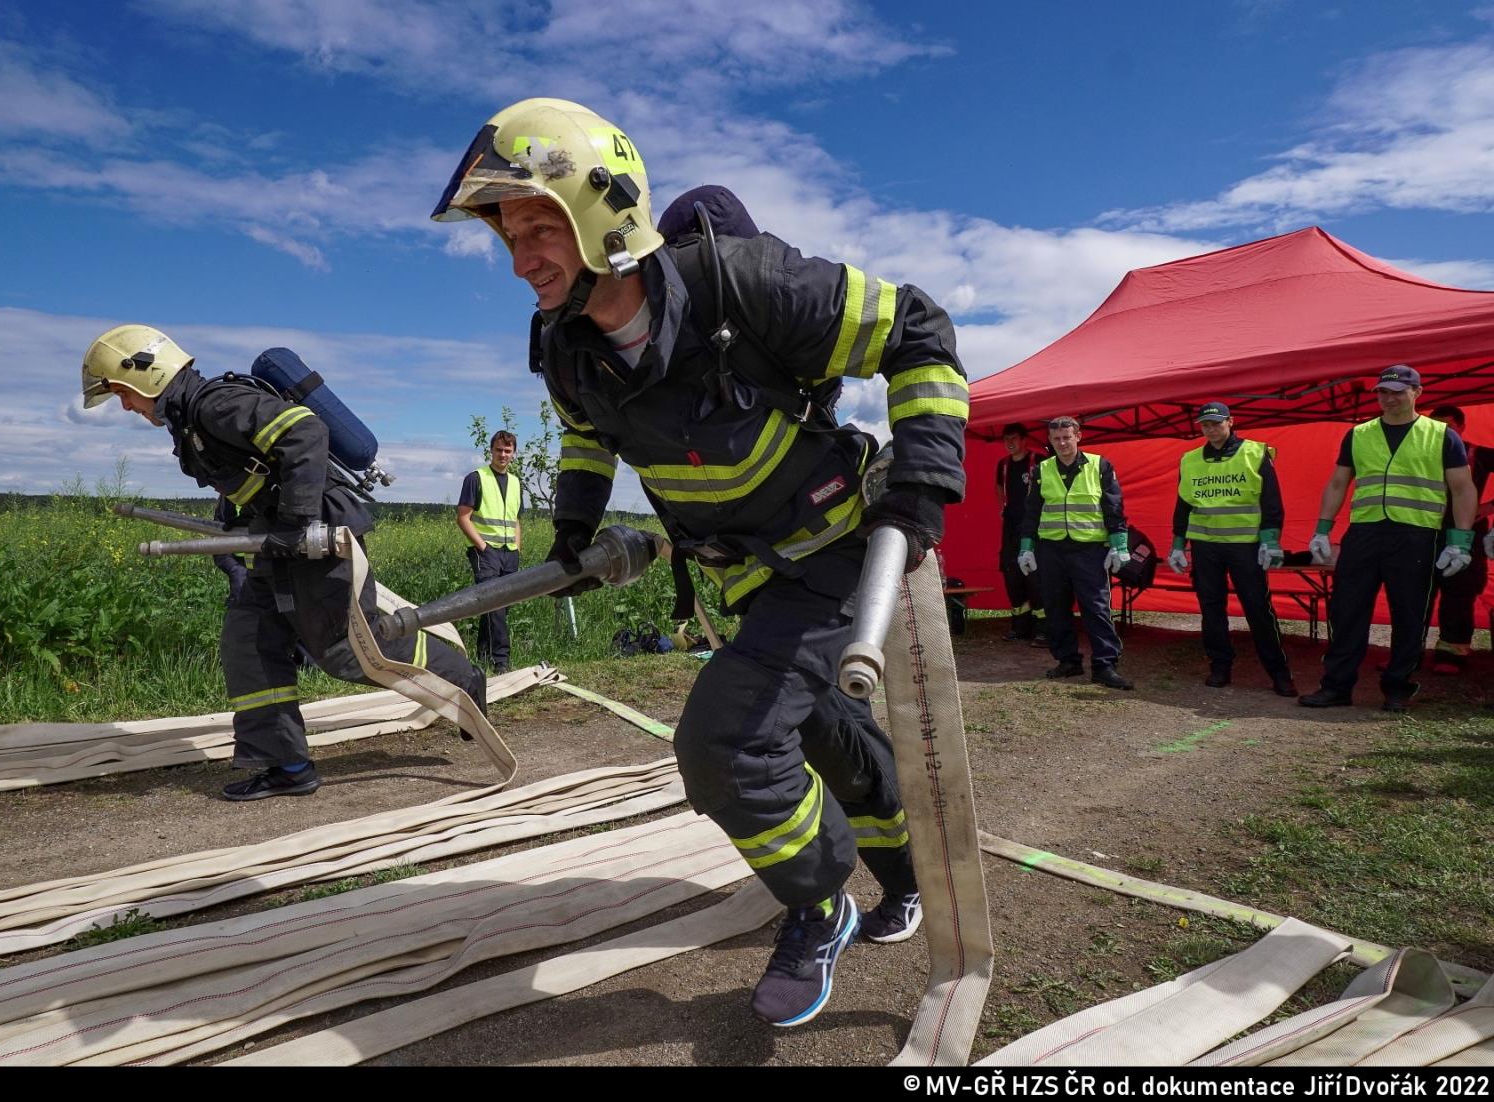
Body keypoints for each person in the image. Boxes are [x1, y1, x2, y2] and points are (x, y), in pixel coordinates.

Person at [433, 98, 968, 1028]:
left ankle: (815, 903)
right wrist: (576, 523)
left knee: (724, 743)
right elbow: (586, 434)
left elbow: (917, 330)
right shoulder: (566, 349)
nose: (520, 262)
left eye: (537, 229)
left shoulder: (748, 286)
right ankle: (904, 873)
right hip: (747, 576)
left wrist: (921, 479)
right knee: (819, 731)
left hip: (836, 557)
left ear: (601, 207)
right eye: (507, 240)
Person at [80, 325, 488, 799]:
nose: (127, 406)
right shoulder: (192, 420)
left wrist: (294, 523)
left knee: (347, 649)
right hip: (278, 543)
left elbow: (305, 432)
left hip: (318, 538)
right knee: (249, 639)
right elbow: (243, 481)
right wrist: (235, 545)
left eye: (124, 394)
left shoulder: (216, 404)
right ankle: (286, 765)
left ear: (147, 374)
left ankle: (463, 678)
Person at [1298, 366, 1477, 712]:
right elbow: (1338, 482)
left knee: (1410, 613)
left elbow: (1462, 488)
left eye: (1398, 391)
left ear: (1417, 392)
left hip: (1417, 535)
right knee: (1347, 610)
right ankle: (1336, 686)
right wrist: (1322, 528)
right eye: (1383, 392)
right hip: (1365, 532)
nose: (1389, 398)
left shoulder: (1441, 435)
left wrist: (1460, 540)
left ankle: (1398, 687)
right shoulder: (1359, 434)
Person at [1168, 402, 1297, 696]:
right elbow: (1183, 505)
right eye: (1205, 425)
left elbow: (1271, 502)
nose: (1211, 429)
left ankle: (1279, 673)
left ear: (1230, 422)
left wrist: (1270, 541)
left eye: (1216, 423)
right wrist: (1178, 545)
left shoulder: (1255, 452)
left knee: (1257, 609)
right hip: (1205, 547)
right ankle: (1220, 666)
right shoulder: (1189, 460)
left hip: (1245, 547)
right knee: (1211, 609)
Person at [1017, 415, 1134, 690]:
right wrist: (1026, 548)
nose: (1062, 443)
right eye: (1056, 438)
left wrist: (1119, 545)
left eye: (1067, 437)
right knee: (1056, 607)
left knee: (1096, 608)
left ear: (1078, 436)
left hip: (1089, 549)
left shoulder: (1100, 465)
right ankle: (1068, 660)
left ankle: (1105, 665)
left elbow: (1114, 508)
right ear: (1050, 440)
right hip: (1052, 549)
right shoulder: (1042, 470)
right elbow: (1031, 512)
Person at [1426, 406, 1494, 674]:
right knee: (1414, 591)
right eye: (1436, 427)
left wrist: (1488, 507)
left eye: (1448, 426)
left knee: (1459, 592)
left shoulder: (1476, 453)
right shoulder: (1419, 454)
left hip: (1466, 533)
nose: (1442, 433)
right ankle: (1408, 652)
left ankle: (1452, 653)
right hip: (1424, 532)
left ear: (1461, 427)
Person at [457, 430, 522, 674]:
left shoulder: (516, 482)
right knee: (495, 602)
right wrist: (482, 547)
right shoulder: (476, 478)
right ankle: (501, 661)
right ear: (491, 451)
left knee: (500, 606)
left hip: (509, 552)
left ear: (513, 453)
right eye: (498, 450)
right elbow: (463, 517)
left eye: (507, 451)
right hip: (486, 551)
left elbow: (515, 519)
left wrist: (517, 547)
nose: (503, 455)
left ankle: (483, 654)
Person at [996, 422, 1047, 643]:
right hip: (1010, 527)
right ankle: (1020, 627)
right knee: (1012, 575)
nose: (1009, 443)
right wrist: (1004, 510)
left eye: (1014, 438)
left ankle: (1043, 628)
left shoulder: (1038, 462)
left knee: (1035, 577)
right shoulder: (1003, 465)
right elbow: (999, 489)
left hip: (1034, 528)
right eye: (1006, 438)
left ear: (1024, 439)